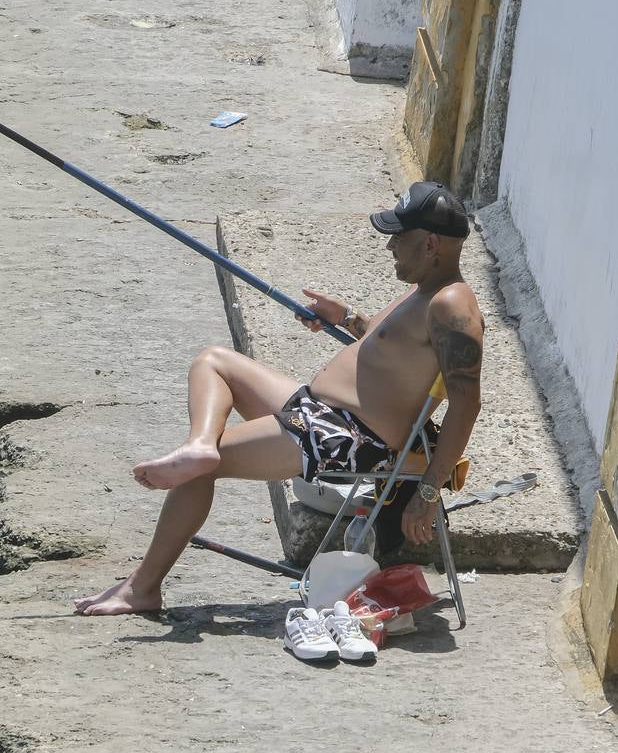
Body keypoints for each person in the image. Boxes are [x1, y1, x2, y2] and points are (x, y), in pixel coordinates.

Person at [74, 182, 484, 616]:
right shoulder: (426, 290)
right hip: (322, 412)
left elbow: (465, 404)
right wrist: (347, 318)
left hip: (345, 436)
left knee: (197, 473)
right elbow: (396, 354)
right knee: (214, 361)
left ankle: (143, 588)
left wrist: (428, 493)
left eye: (400, 236)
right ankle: (199, 445)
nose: (390, 246)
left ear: (432, 242)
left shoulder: (452, 304)